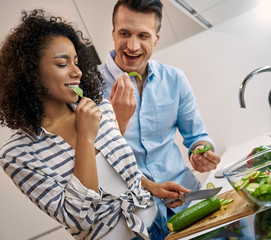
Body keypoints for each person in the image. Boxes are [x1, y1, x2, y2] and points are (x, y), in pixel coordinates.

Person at [0, 9, 190, 240]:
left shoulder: (100, 108)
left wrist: (151, 186)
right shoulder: (16, 154)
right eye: (62, 64)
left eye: (76, 62)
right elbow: (77, 217)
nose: (77, 71)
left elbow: (119, 171)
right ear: (31, 73)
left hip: (159, 225)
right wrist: (86, 138)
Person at [98, 0, 221, 219]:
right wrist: (117, 120)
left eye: (143, 36)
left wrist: (202, 152)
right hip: (136, 215)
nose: (133, 46)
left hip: (186, 198)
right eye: (125, 33)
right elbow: (93, 161)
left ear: (156, 38)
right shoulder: (91, 87)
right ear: (114, 33)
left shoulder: (174, 79)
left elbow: (197, 137)